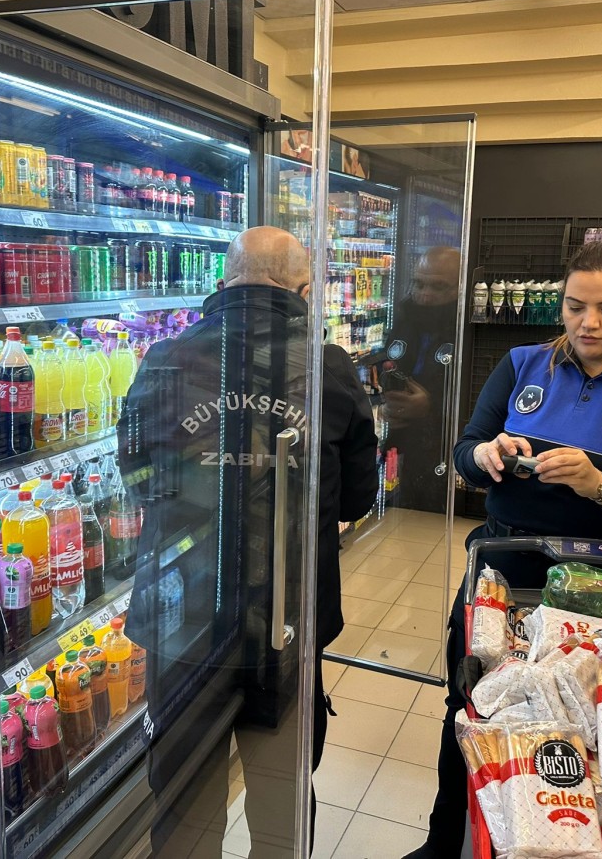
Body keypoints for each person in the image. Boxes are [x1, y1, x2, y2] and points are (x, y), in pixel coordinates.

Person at [403, 239, 602, 859]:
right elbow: (466, 448)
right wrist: (483, 457)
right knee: (471, 703)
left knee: (587, 720)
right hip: (503, 568)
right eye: (574, 307)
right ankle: (444, 843)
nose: (588, 324)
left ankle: (563, 842)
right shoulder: (520, 364)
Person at [120, 226, 378, 858]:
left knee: (184, 805)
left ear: (222, 282)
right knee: (281, 800)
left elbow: (139, 479)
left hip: (184, 620)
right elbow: (354, 501)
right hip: (285, 622)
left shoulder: (165, 360)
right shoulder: (331, 368)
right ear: (304, 288)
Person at [380, 246, 460, 511]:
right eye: (419, 283)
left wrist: (432, 407)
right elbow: (389, 366)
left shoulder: (470, 334)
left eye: (438, 287)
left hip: (450, 458)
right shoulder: (405, 321)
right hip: (404, 450)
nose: (425, 295)